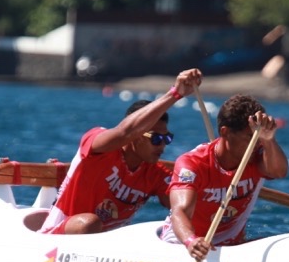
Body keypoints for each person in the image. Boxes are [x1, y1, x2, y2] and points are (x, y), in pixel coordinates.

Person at [39, 69, 203, 235]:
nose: (162, 146)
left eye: (167, 138)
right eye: (156, 139)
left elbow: (185, 208)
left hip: (107, 250)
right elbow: (124, 132)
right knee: (89, 223)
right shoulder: (98, 144)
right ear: (136, 135)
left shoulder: (154, 175)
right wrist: (175, 94)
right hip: (56, 237)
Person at [160, 94, 289, 261]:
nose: (256, 144)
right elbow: (180, 211)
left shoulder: (258, 156)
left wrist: (269, 140)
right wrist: (191, 241)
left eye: (259, 138)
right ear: (225, 132)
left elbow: (279, 172)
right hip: (185, 245)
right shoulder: (192, 163)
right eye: (250, 138)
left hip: (232, 247)